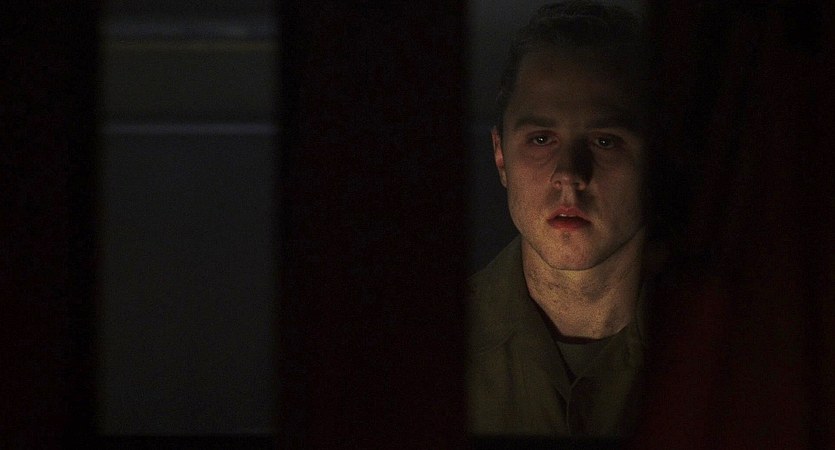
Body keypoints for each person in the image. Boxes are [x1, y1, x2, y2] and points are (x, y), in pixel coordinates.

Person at [467, 1, 662, 439]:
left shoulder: (735, 348)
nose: (569, 174)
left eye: (605, 141)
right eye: (541, 139)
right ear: (500, 155)